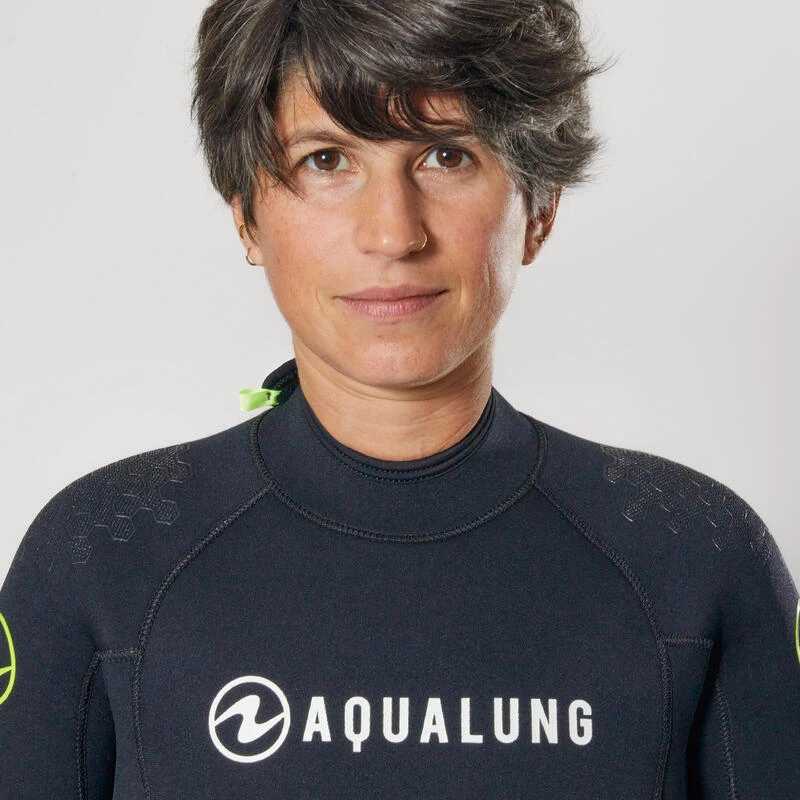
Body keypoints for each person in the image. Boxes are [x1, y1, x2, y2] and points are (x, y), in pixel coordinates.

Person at [1, 0, 798, 797]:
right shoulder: (101, 554)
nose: (392, 233)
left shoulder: (696, 555)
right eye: (326, 160)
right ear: (245, 215)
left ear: (540, 207)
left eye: (447, 156)